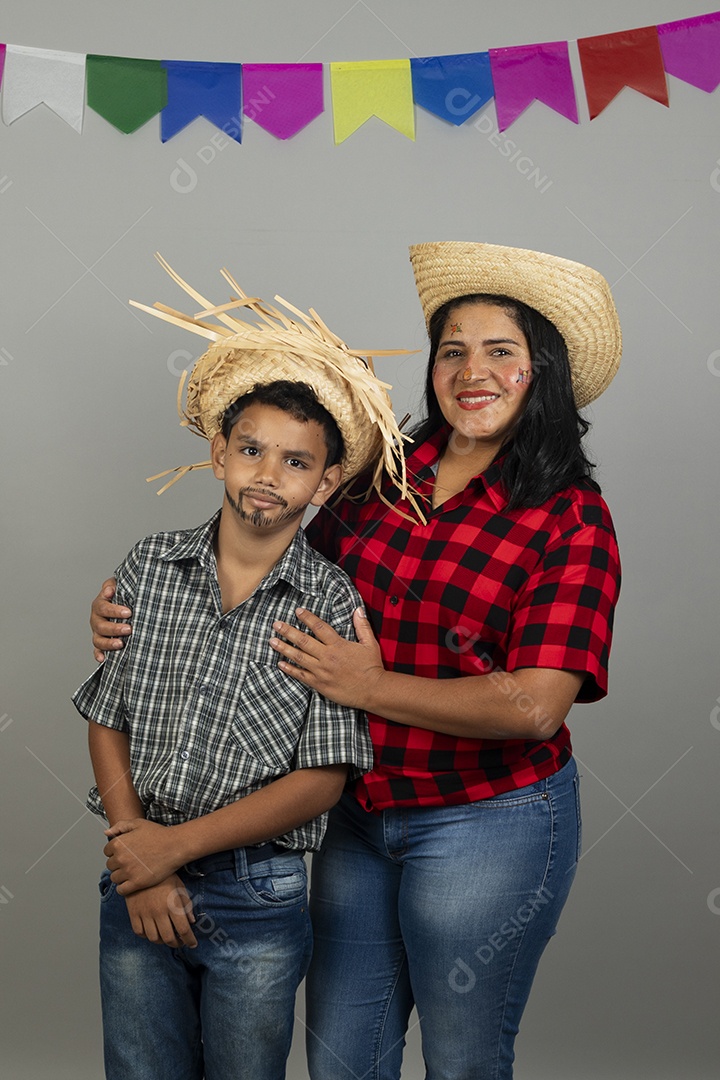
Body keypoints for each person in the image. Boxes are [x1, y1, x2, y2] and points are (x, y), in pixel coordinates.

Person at [91, 242, 622, 1080]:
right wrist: (136, 609)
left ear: (541, 374)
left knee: (461, 1055)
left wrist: (370, 685)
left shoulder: (569, 518)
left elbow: (535, 706)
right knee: (343, 1058)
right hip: (361, 813)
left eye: (501, 352)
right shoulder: (384, 475)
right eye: (453, 350)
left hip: (486, 816)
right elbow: (267, 561)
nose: (471, 370)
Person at [74, 262, 416, 1080]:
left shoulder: (329, 603)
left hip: (256, 895)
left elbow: (321, 781)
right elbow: (106, 715)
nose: (269, 475)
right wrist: (136, 851)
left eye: (297, 463)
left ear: (327, 481)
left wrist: (174, 850)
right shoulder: (152, 566)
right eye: (252, 450)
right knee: (141, 1066)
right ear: (219, 452)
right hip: (135, 871)